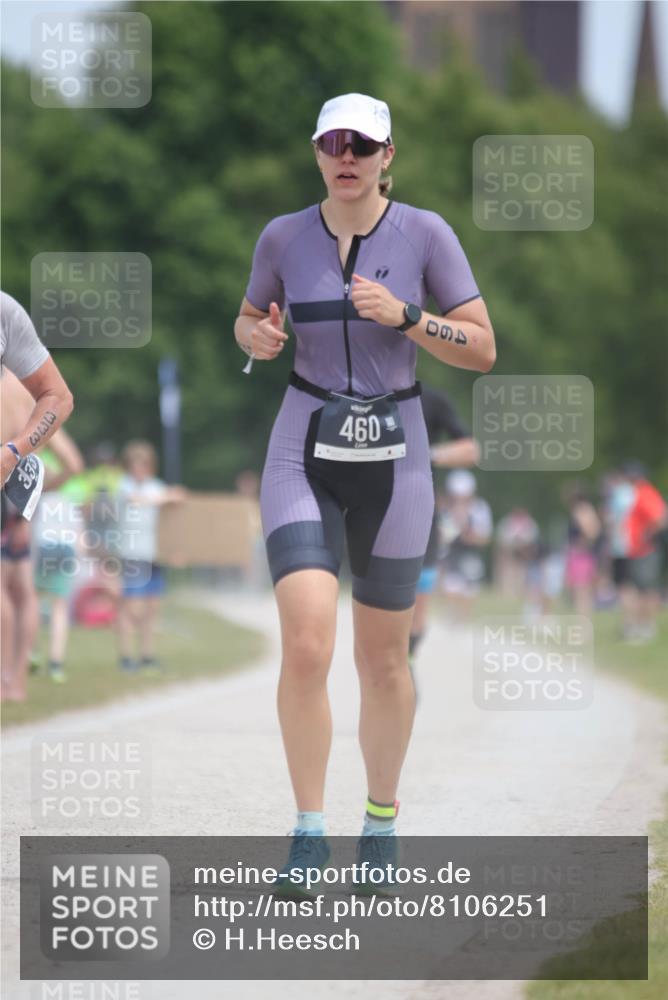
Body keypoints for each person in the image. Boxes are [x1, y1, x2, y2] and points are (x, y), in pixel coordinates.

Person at [234, 92, 495, 895]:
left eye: (363, 144)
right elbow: (246, 320)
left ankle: (380, 823)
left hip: (397, 459)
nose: (347, 156)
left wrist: (409, 315)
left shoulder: (426, 234)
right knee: (308, 644)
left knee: (382, 660)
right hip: (302, 449)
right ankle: (308, 831)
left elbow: (482, 347)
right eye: (333, 143)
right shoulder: (282, 237)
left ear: (388, 156)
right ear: (317, 153)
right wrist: (257, 336)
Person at [1, 293, 74, 700]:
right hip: (20, 493)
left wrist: (11, 455)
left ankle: (5, 679)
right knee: (23, 590)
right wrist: (36, 489)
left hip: (9, 490)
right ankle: (15, 682)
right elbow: (73, 463)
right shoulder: (22, 394)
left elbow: (58, 398)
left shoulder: (11, 384)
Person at [409, 386, 479, 674]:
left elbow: (471, 450)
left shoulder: (431, 400)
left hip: (422, 515)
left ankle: (408, 663)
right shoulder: (361, 391)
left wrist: (425, 454)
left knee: (418, 604)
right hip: (371, 514)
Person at [116, 440, 186, 673]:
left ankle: (147, 655)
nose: (139, 469)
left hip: (153, 554)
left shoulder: (156, 486)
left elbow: (169, 519)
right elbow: (137, 500)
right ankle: (126, 655)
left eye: (143, 464)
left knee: (152, 607)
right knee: (131, 607)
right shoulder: (124, 485)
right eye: (135, 464)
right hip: (133, 554)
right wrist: (168, 496)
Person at [620, 462, 667, 643]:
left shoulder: (645, 493)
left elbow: (659, 519)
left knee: (646, 589)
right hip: (639, 550)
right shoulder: (640, 492)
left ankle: (647, 626)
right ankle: (642, 625)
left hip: (646, 550)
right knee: (641, 589)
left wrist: (646, 536)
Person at [439, 469, 493, 620]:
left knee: (470, 589)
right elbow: (444, 537)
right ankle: (453, 616)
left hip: (471, 553)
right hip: (452, 553)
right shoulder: (446, 509)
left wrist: (469, 534)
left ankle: (463, 619)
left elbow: (485, 537)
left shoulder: (480, 508)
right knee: (452, 586)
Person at [563, 486, 601, 616]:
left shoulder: (582, 510)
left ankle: (583, 619)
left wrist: (584, 541)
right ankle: (582, 618)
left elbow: (592, 531)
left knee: (581, 589)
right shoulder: (585, 510)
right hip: (581, 553)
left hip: (581, 554)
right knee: (580, 589)